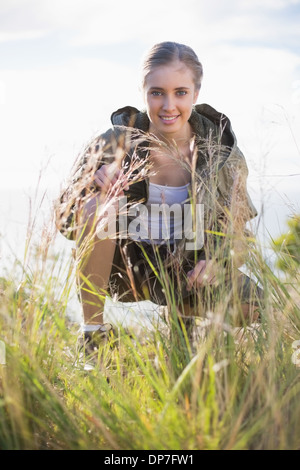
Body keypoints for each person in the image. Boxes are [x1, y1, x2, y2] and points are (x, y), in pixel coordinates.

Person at [55, 41, 262, 353]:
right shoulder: (112, 144)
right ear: (143, 92)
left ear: (196, 93)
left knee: (257, 307)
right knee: (98, 206)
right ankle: (93, 339)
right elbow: (66, 221)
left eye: (180, 92)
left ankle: (182, 320)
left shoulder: (224, 155)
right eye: (157, 92)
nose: (168, 105)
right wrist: (90, 187)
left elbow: (239, 235)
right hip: (126, 268)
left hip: (189, 273)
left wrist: (218, 264)